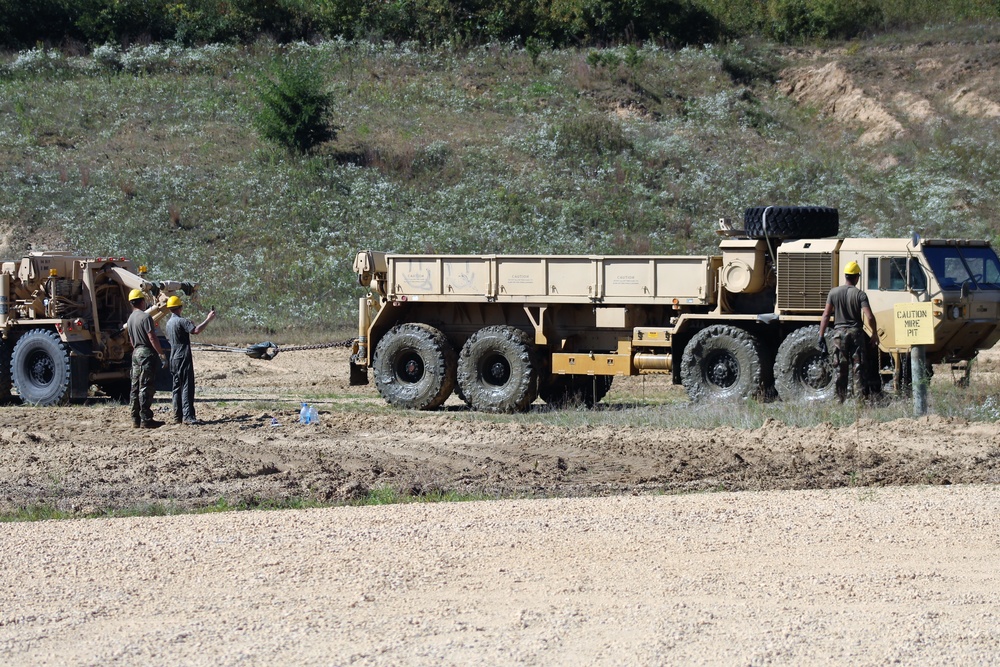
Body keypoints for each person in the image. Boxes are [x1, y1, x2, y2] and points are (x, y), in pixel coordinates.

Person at [818, 260, 880, 402]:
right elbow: (869, 316)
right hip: (856, 334)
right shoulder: (860, 294)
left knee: (839, 367)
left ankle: (840, 400)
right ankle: (859, 401)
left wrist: (821, 335)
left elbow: (826, 315)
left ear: (846, 276)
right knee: (858, 367)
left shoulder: (833, 293)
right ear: (857, 276)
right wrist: (874, 333)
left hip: (839, 335)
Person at [165, 295, 216, 425]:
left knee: (176, 386)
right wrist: (208, 319)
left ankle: (177, 416)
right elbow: (196, 331)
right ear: (180, 307)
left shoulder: (169, 323)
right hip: (183, 356)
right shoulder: (182, 321)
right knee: (187, 385)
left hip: (173, 357)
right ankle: (188, 416)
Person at [127, 288, 167, 428]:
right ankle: (146, 419)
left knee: (135, 386)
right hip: (145, 352)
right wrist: (161, 353)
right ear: (142, 301)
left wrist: (137, 350)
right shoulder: (145, 317)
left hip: (136, 352)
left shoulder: (130, 318)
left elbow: (131, 339)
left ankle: (135, 418)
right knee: (146, 386)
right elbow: (152, 337)